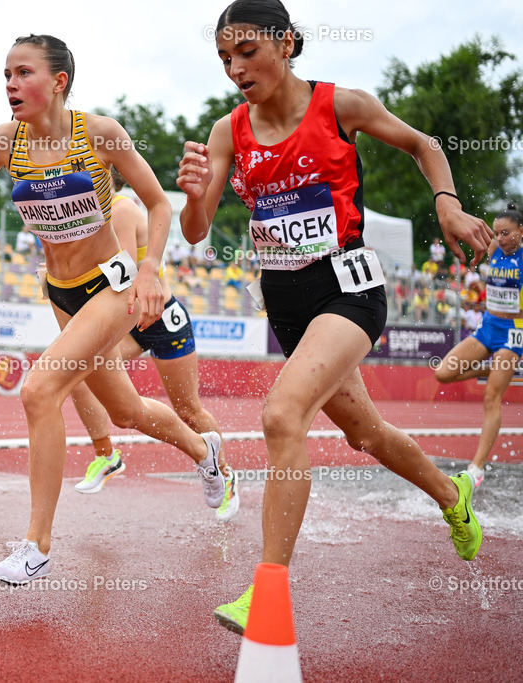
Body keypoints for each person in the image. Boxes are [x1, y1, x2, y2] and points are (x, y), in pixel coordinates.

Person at [179, 0, 493, 635]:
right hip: (286, 303)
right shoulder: (225, 132)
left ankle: (268, 592)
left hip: (348, 291)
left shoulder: (339, 105)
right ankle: (452, 496)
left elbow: (423, 145)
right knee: (367, 435)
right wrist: (191, 197)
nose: (236, 68)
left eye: (247, 52)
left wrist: (449, 207)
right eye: (224, 58)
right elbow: (195, 232)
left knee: (281, 414)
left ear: (288, 44)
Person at [0, 34, 223, 585]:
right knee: (124, 412)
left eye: (22, 73)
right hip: (62, 291)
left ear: (59, 82)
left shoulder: (99, 135)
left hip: (114, 287)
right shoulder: (3, 143)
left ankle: (35, 547)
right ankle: (204, 454)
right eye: (5, 73)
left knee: (39, 390)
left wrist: (150, 270)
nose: (9, 84)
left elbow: (158, 202)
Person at [63, 168, 240, 522]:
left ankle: (224, 473)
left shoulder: (121, 208)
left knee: (188, 409)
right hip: (128, 317)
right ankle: (106, 455)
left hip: (158, 316)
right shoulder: (84, 217)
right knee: (76, 370)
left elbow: (124, 275)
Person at [435, 204, 523, 487]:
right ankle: (491, 367)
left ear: (521, 232)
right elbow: (475, 240)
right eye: (497, 233)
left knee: (491, 397)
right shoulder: (495, 247)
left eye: (506, 233)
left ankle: (477, 467)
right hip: (488, 327)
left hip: (513, 333)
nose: (500, 237)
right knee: (443, 373)